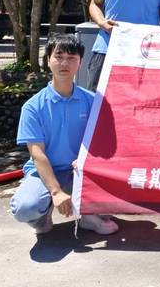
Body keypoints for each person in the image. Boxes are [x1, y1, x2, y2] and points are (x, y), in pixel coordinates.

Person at [10, 33, 118, 235]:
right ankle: (42, 216)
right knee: (25, 208)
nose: (64, 63)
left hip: (80, 171)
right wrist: (56, 192)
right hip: (45, 171)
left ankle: (88, 217)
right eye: (58, 57)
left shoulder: (93, 101)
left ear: (80, 62)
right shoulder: (33, 107)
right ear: (48, 60)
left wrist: (89, 160)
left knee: (118, 199)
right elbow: (37, 154)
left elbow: (104, 144)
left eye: (71, 58)